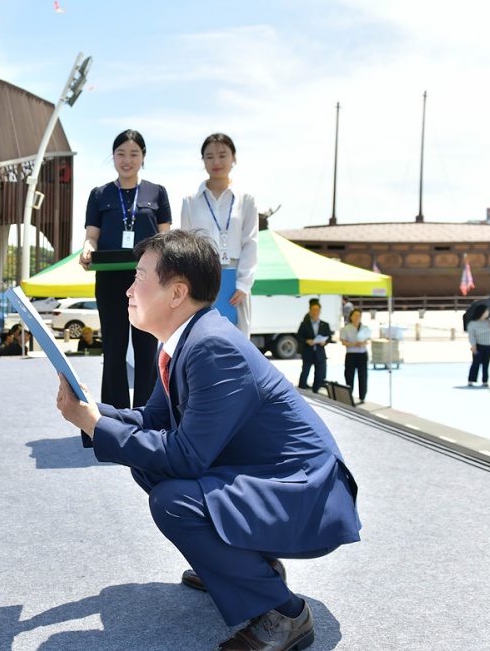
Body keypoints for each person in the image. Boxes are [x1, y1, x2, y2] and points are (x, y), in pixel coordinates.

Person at [55, 229, 360, 651]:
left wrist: (93, 424)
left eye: (139, 276)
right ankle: (243, 563)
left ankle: (284, 614)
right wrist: (95, 412)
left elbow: (186, 457)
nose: (127, 288)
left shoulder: (212, 346)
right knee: (149, 465)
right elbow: (155, 419)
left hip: (304, 495)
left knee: (173, 499)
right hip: (271, 478)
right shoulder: (185, 340)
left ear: (177, 292)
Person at [79, 129, 172, 409]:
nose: (127, 160)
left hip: (148, 281)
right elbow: (91, 235)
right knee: (114, 349)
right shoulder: (99, 194)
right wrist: (87, 248)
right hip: (109, 280)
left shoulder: (157, 192)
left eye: (134, 153)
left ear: (143, 157)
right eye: (121, 153)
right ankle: (114, 416)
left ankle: (148, 413)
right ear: (113, 157)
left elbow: (166, 237)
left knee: (146, 350)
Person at [179, 133, 258, 336]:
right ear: (203, 160)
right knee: (202, 337)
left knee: (237, 339)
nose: (216, 162)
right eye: (209, 156)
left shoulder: (246, 199)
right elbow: (186, 246)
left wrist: (243, 284)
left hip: (235, 279)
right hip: (202, 276)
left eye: (222, 155)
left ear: (234, 158)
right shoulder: (190, 201)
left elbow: (250, 242)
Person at [297, 301, 332, 392]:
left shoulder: (324, 325)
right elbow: (299, 337)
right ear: (309, 311)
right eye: (313, 310)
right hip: (308, 353)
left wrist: (325, 342)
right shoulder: (304, 324)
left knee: (319, 375)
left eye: (317, 310)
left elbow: (329, 337)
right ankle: (302, 391)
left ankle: (315, 391)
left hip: (320, 353)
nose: (314, 312)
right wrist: (307, 341)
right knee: (305, 373)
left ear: (320, 311)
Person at [339, 308, 371, 403]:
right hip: (351, 354)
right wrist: (354, 344)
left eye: (359, 316)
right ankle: (349, 395)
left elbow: (368, 339)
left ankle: (362, 396)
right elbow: (343, 342)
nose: (357, 318)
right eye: (355, 315)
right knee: (349, 375)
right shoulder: (346, 328)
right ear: (351, 317)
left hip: (362, 354)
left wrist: (364, 343)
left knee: (363, 375)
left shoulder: (365, 328)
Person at [466, 304, 490, 387]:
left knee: (486, 363)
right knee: (476, 363)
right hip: (479, 345)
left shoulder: (489, 321)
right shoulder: (473, 323)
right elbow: (471, 335)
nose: (488, 313)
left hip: (489, 345)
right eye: (487, 311)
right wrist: (473, 345)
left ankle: (485, 380)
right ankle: (471, 379)